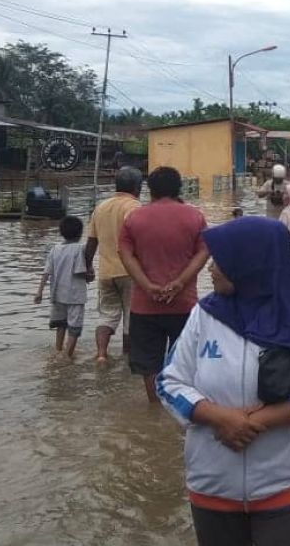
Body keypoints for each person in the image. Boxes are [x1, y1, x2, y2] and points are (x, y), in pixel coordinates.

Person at [157, 217, 290, 546]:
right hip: (211, 486)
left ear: (248, 262)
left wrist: (254, 422)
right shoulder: (204, 315)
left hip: (284, 487)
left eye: (220, 260)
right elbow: (169, 382)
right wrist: (218, 417)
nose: (210, 269)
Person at [119, 166, 209, 403]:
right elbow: (204, 252)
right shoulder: (195, 216)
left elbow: (125, 255)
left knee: (148, 363)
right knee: (187, 361)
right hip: (185, 305)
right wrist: (179, 283)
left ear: (150, 189)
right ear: (178, 187)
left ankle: (155, 405)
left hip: (144, 305)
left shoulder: (134, 218)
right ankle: (182, 407)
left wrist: (147, 286)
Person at [85, 166, 144, 364]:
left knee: (106, 315)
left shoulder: (100, 207)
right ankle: (128, 357)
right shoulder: (134, 207)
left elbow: (91, 242)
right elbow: (140, 239)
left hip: (106, 271)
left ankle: (101, 354)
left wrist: (88, 267)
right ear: (138, 187)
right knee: (131, 316)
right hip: (130, 271)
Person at [33, 215, 92, 359]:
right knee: (74, 327)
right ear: (80, 233)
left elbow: (46, 272)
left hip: (58, 294)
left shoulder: (55, 249)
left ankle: (58, 350)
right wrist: (90, 276)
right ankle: (67, 355)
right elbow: (86, 273)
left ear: (61, 232)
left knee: (61, 324)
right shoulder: (81, 249)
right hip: (75, 295)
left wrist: (39, 292)